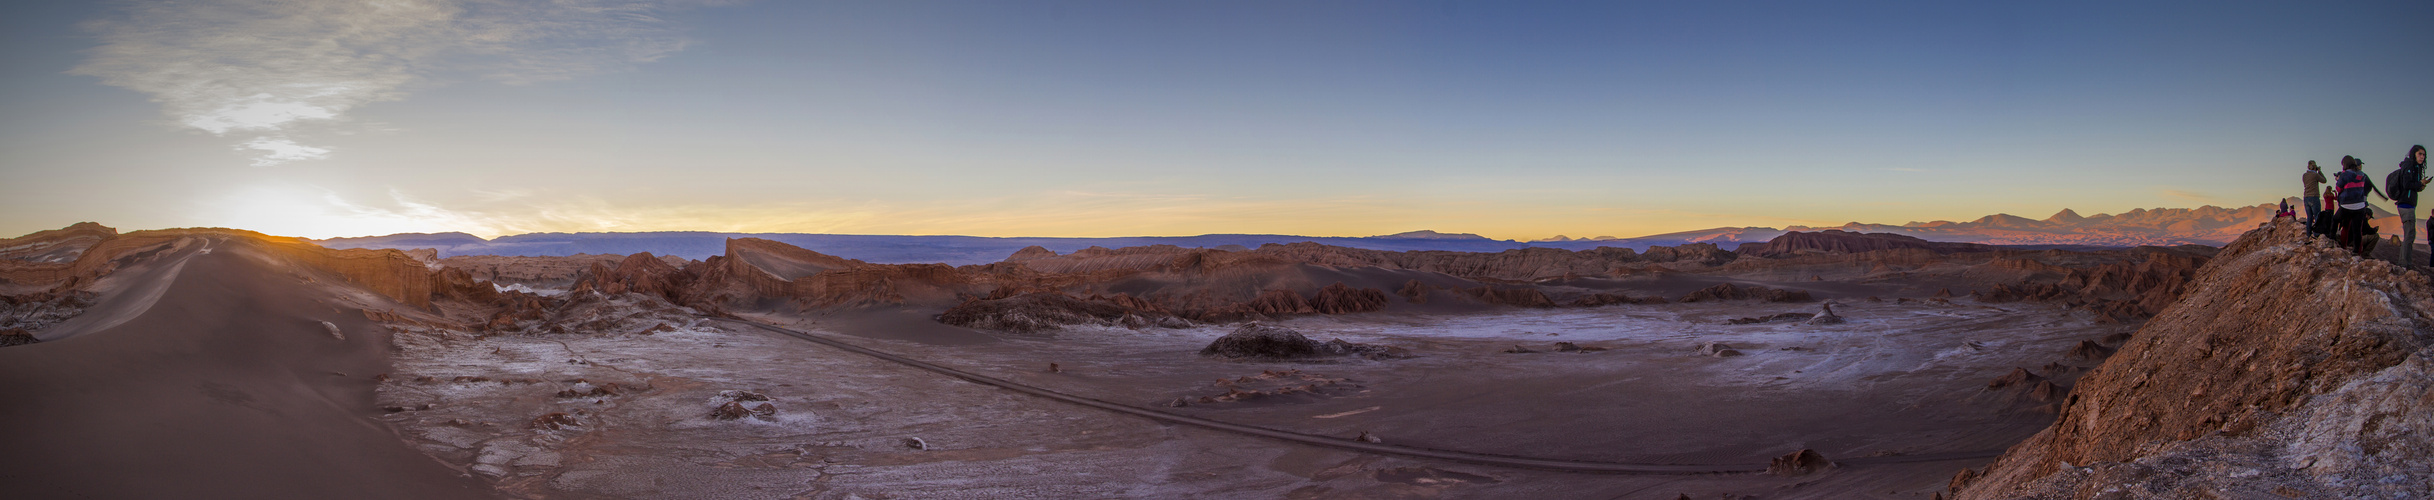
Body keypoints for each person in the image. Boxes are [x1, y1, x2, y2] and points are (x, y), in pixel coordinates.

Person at [2334, 155, 2387, 256]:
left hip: (2347, 204)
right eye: (2359, 165)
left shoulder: (2346, 175)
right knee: (2357, 227)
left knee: (2347, 225)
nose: (2360, 167)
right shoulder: (2362, 175)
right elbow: (2372, 187)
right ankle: (2357, 251)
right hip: (2358, 204)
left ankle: (2345, 247)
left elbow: (2341, 188)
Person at [2392, 146, 2430, 266]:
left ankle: (2406, 263)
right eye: (2420, 154)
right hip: (2405, 204)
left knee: (2410, 235)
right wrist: (2419, 183)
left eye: (2424, 155)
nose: (2422, 157)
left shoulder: (2415, 167)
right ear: (2414, 154)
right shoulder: (2409, 166)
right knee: (2409, 235)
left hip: (2410, 204)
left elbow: (2411, 186)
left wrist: (2420, 187)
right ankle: (2404, 264)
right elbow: (2406, 184)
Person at [2302, 160, 2327, 225]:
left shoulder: (2304, 175)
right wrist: (2319, 171)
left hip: (2306, 197)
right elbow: (2324, 180)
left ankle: (2308, 233)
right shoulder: (2315, 175)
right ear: (2314, 167)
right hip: (2314, 197)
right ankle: (2316, 233)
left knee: (2309, 217)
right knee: (2317, 216)